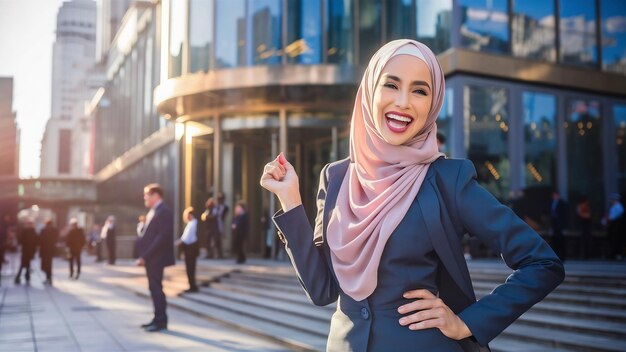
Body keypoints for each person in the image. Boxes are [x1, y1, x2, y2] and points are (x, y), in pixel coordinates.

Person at [260, 39, 564, 351]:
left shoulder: (448, 180)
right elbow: (321, 289)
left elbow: (542, 263)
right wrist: (290, 200)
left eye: (420, 90)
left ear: (433, 104)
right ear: (369, 91)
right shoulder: (336, 177)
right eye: (391, 85)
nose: (403, 102)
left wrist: (467, 322)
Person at [135, 183, 175, 332]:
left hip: (156, 258)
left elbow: (161, 238)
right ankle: (157, 318)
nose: (145, 197)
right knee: (154, 288)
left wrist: (145, 256)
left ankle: (161, 321)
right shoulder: (154, 211)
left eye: (147, 195)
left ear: (156, 195)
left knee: (156, 289)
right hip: (152, 258)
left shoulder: (164, 212)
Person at [177, 207, 199, 292]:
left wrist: (177, 243)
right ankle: (192, 285)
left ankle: (192, 286)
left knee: (190, 267)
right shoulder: (192, 223)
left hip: (191, 248)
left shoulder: (193, 224)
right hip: (191, 248)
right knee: (190, 267)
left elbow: (185, 239)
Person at [14, 219, 38, 285]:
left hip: (30, 250)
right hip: (26, 250)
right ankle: (23, 276)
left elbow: (36, 241)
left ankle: (25, 276)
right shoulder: (25, 231)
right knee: (23, 264)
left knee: (27, 264)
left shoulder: (33, 231)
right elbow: (20, 239)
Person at [39, 219, 59, 285]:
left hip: (46, 250)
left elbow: (40, 241)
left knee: (47, 265)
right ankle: (49, 278)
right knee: (48, 265)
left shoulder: (45, 230)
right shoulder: (45, 230)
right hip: (48, 250)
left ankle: (49, 277)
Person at [550, 191, 568, 261]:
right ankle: (555, 256)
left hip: (560, 225)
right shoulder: (551, 202)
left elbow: (564, 215)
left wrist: (564, 226)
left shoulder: (562, 203)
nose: (554, 196)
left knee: (561, 241)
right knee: (554, 241)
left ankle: (563, 257)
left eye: (555, 195)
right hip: (554, 225)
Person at [606, 193, 625, 260]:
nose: (611, 201)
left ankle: (617, 254)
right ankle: (614, 254)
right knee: (614, 240)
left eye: (612, 199)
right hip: (614, 225)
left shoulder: (618, 207)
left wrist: (608, 219)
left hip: (617, 225)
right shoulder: (614, 207)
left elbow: (612, 217)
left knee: (616, 240)